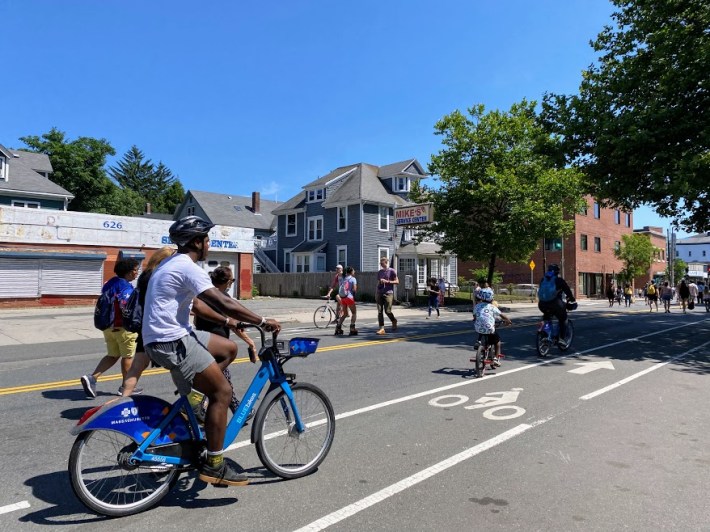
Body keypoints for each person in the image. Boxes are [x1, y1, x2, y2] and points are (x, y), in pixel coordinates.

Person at [142, 215, 280, 487]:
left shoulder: (174, 264)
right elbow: (221, 301)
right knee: (223, 392)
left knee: (228, 348)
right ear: (196, 241)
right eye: (206, 239)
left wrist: (231, 323)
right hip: (172, 341)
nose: (209, 244)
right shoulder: (185, 266)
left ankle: (194, 400)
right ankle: (215, 465)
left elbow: (200, 305)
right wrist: (262, 321)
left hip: (171, 336)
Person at [194, 266, 259, 417]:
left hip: (204, 342)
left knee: (223, 379)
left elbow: (197, 319)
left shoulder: (204, 296)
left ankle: (237, 409)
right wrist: (251, 343)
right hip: (219, 346)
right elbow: (236, 326)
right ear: (228, 282)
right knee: (221, 381)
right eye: (232, 280)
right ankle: (198, 407)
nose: (232, 283)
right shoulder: (222, 299)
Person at [118, 246, 176, 397]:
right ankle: (190, 401)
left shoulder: (145, 275)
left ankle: (123, 399)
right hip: (159, 325)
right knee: (179, 364)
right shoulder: (159, 275)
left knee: (136, 367)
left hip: (145, 325)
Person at [81, 258, 140, 398]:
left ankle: (92, 378)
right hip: (122, 328)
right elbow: (125, 305)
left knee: (113, 355)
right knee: (128, 356)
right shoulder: (125, 286)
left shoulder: (110, 283)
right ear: (130, 272)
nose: (137, 273)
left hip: (109, 327)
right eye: (136, 270)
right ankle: (126, 386)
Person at [537, 264, 576, 349]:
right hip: (555, 304)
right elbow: (568, 291)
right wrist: (572, 299)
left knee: (547, 317)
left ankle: (545, 334)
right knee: (563, 318)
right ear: (557, 272)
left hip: (542, 304)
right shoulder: (559, 280)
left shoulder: (543, 280)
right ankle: (561, 339)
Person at [471, 287, 512, 368]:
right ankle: (496, 359)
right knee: (498, 342)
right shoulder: (492, 307)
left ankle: (478, 341)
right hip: (489, 328)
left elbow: (475, 316)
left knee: (481, 329)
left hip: (478, 328)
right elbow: (501, 315)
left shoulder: (477, 306)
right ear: (491, 298)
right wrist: (508, 320)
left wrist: (476, 319)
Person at [375, 257, 399, 335]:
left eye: (382, 263)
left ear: (386, 262)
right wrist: (376, 292)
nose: (381, 265)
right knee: (379, 311)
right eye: (380, 263)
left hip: (388, 293)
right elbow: (378, 282)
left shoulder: (392, 271)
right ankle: (382, 328)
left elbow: (397, 281)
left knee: (387, 311)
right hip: (380, 292)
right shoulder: (380, 272)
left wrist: (387, 281)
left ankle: (393, 320)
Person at [334, 266, 358, 336]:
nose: (354, 271)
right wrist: (354, 296)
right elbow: (354, 289)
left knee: (344, 314)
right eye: (353, 270)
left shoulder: (344, 278)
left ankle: (338, 327)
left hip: (343, 297)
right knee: (354, 313)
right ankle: (352, 328)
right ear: (351, 272)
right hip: (349, 297)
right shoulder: (353, 279)